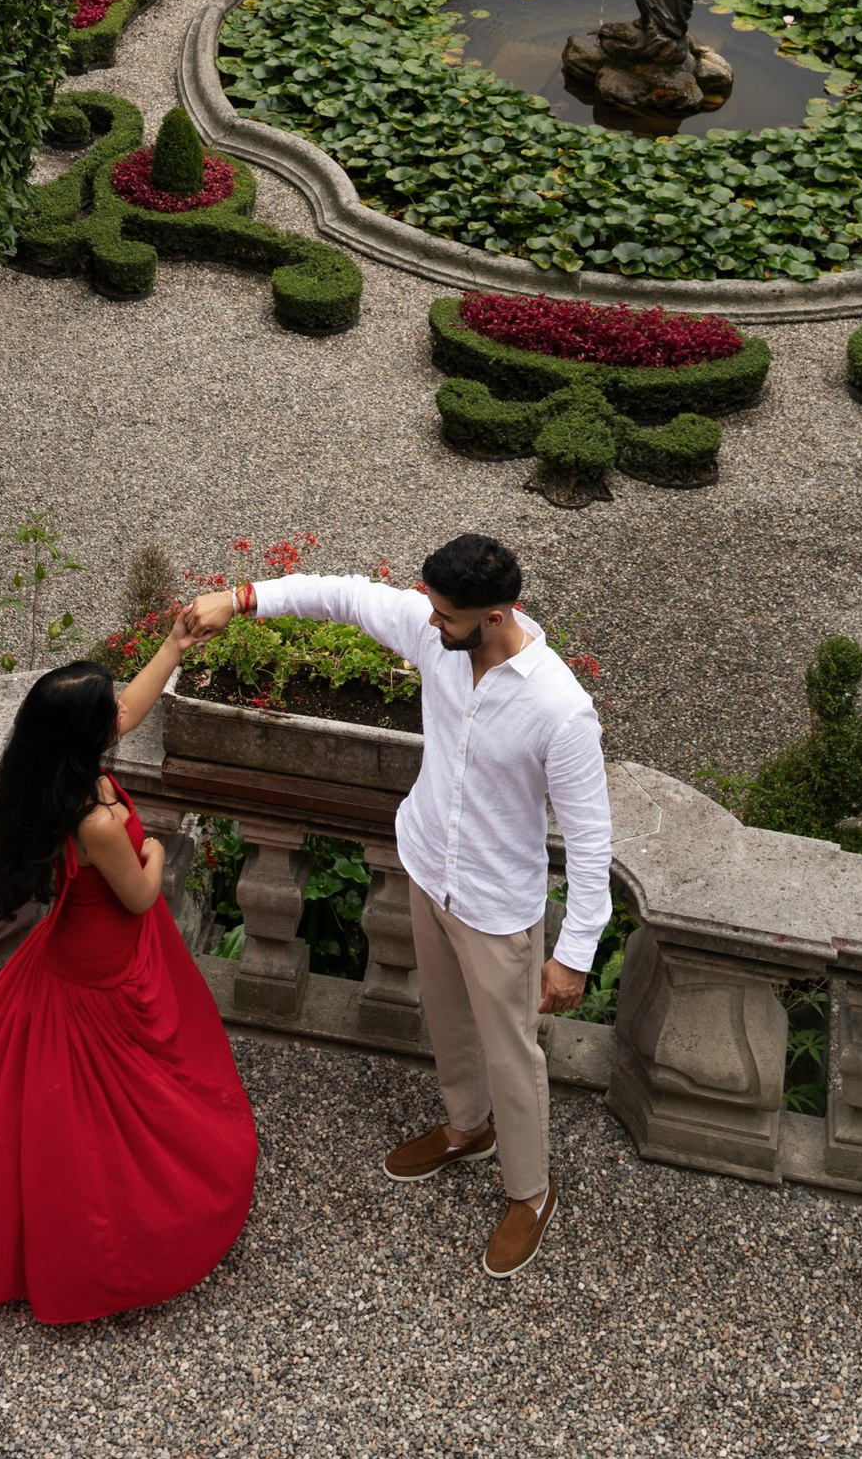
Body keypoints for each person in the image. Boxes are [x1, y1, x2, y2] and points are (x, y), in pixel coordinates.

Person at [177, 533, 609, 1280]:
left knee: (512, 1053)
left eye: (446, 616)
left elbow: (592, 839)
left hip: (497, 907)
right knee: (446, 1020)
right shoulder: (438, 631)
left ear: (497, 615)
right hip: (427, 868)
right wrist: (240, 600)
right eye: (431, 610)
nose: (430, 623)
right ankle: (467, 1129)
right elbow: (342, 596)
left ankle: (530, 1191)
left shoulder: (561, 710)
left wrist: (573, 954)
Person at [0, 625, 258, 1325]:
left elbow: (128, 710)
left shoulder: (57, 774)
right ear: (85, 736)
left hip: (77, 952)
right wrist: (157, 851)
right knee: (114, 1095)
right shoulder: (95, 820)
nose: (120, 716)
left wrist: (174, 645)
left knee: (47, 1087)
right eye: (107, 712)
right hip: (105, 967)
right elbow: (140, 895)